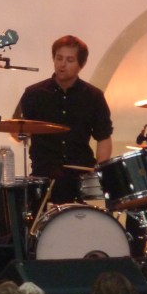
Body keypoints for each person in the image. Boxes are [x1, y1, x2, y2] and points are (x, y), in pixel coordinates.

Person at [15, 35, 112, 204]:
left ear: (81, 64)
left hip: (80, 174)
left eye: (69, 60)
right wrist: (22, 134)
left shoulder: (94, 96)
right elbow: (17, 128)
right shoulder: (33, 94)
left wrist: (99, 170)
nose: (62, 64)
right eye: (59, 58)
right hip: (44, 174)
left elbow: (103, 137)